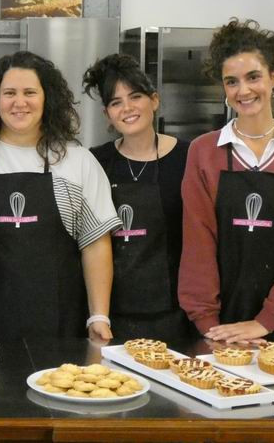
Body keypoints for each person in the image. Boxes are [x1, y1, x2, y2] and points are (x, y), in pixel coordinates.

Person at [0, 51, 121, 341]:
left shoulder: (78, 161)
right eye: (9, 93)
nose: (19, 102)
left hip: (60, 322)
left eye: (30, 92)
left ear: (47, 98)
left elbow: (95, 244)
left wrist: (99, 315)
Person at [179, 18, 274, 343]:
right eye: (231, 81)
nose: (243, 91)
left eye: (253, 77)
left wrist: (265, 321)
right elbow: (197, 248)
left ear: (273, 77)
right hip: (223, 328)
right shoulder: (203, 153)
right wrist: (208, 324)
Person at [84, 53, 192, 344]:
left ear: (154, 100)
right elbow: (91, 240)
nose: (127, 108)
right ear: (107, 114)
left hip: (176, 313)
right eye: (116, 102)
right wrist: (98, 315)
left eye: (135, 97)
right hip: (113, 314)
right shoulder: (96, 161)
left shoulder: (188, 157)